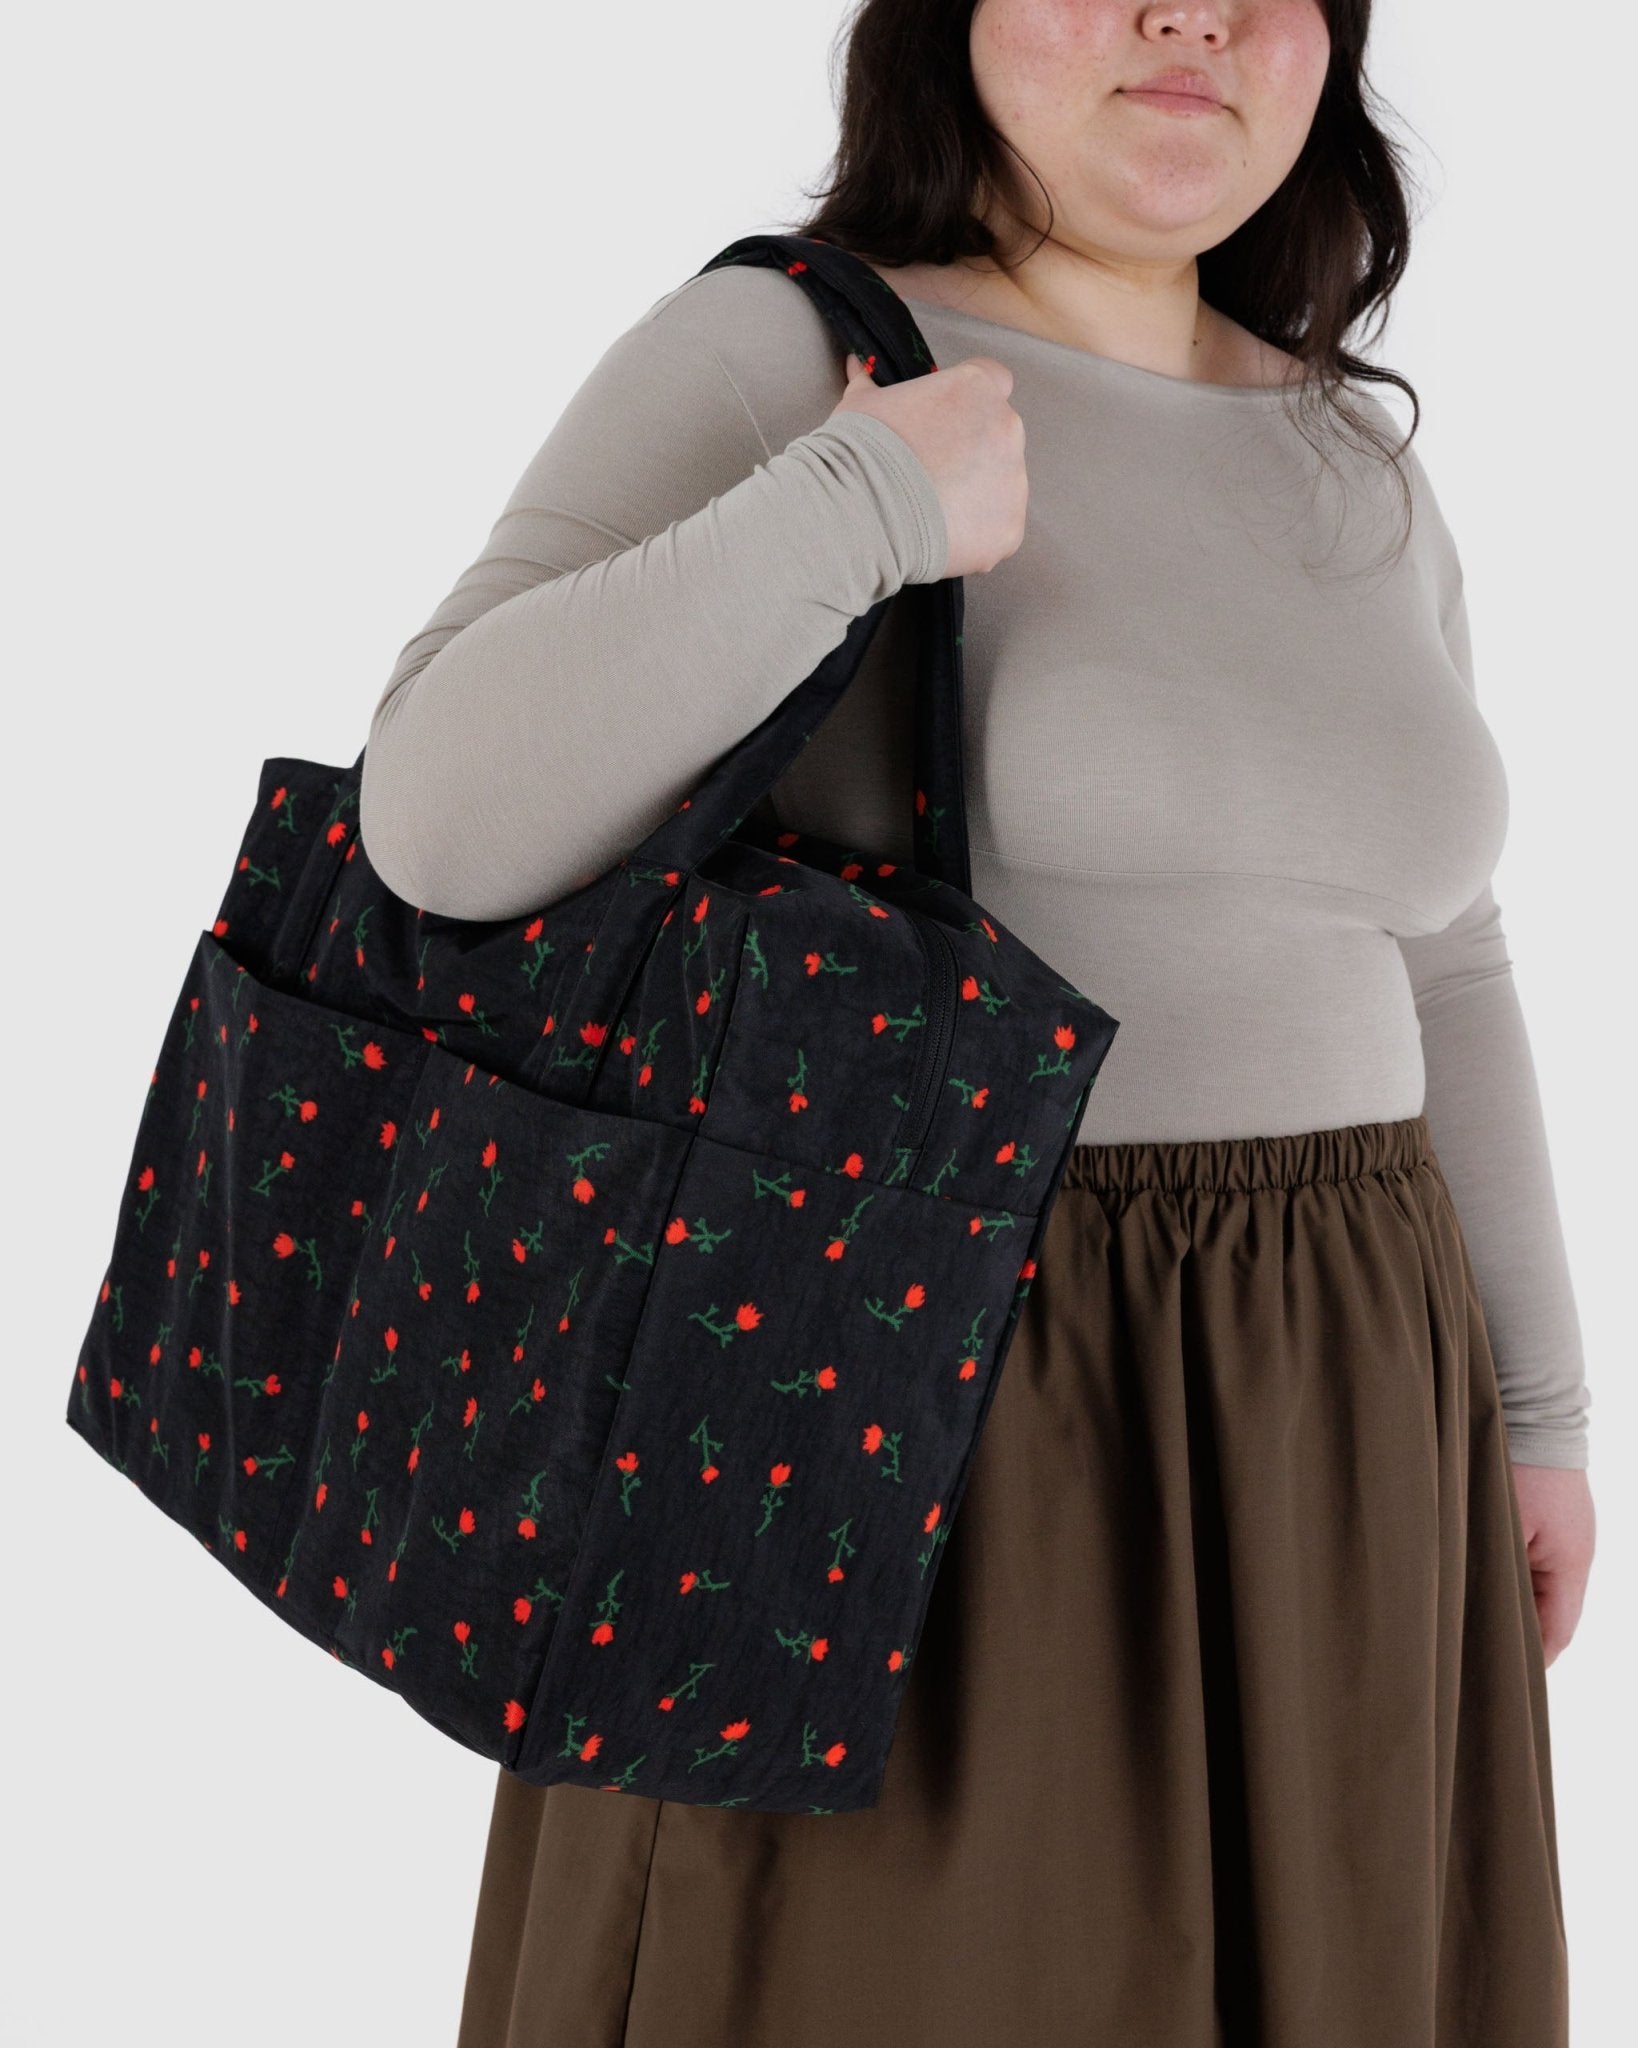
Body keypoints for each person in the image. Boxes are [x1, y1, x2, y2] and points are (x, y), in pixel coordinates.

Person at [359, 3, 1596, 2042]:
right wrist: (848, 503)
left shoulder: (1348, 449)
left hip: (1351, 1410)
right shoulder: (788, 356)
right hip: (932, 1414)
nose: (1186, 13)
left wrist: (1535, 1417)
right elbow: (435, 818)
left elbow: (1446, 945)